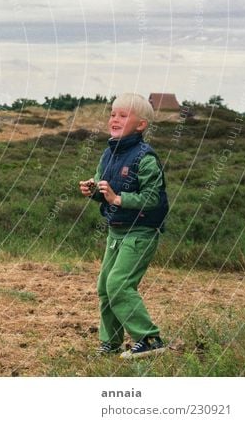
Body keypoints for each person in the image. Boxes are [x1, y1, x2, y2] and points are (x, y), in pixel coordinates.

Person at [79, 93, 169, 359]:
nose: (114, 119)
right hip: (116, 230)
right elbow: (102, 185)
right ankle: (111, 342)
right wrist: (93, 189)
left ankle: (150, 339)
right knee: (105, 286)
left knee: (118, 284)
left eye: (123, 115)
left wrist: (117, 198)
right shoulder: (108, 153)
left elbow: (152, 198)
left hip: (141, 232)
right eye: (112, 114)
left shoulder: (146, 158)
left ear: (141, 125)